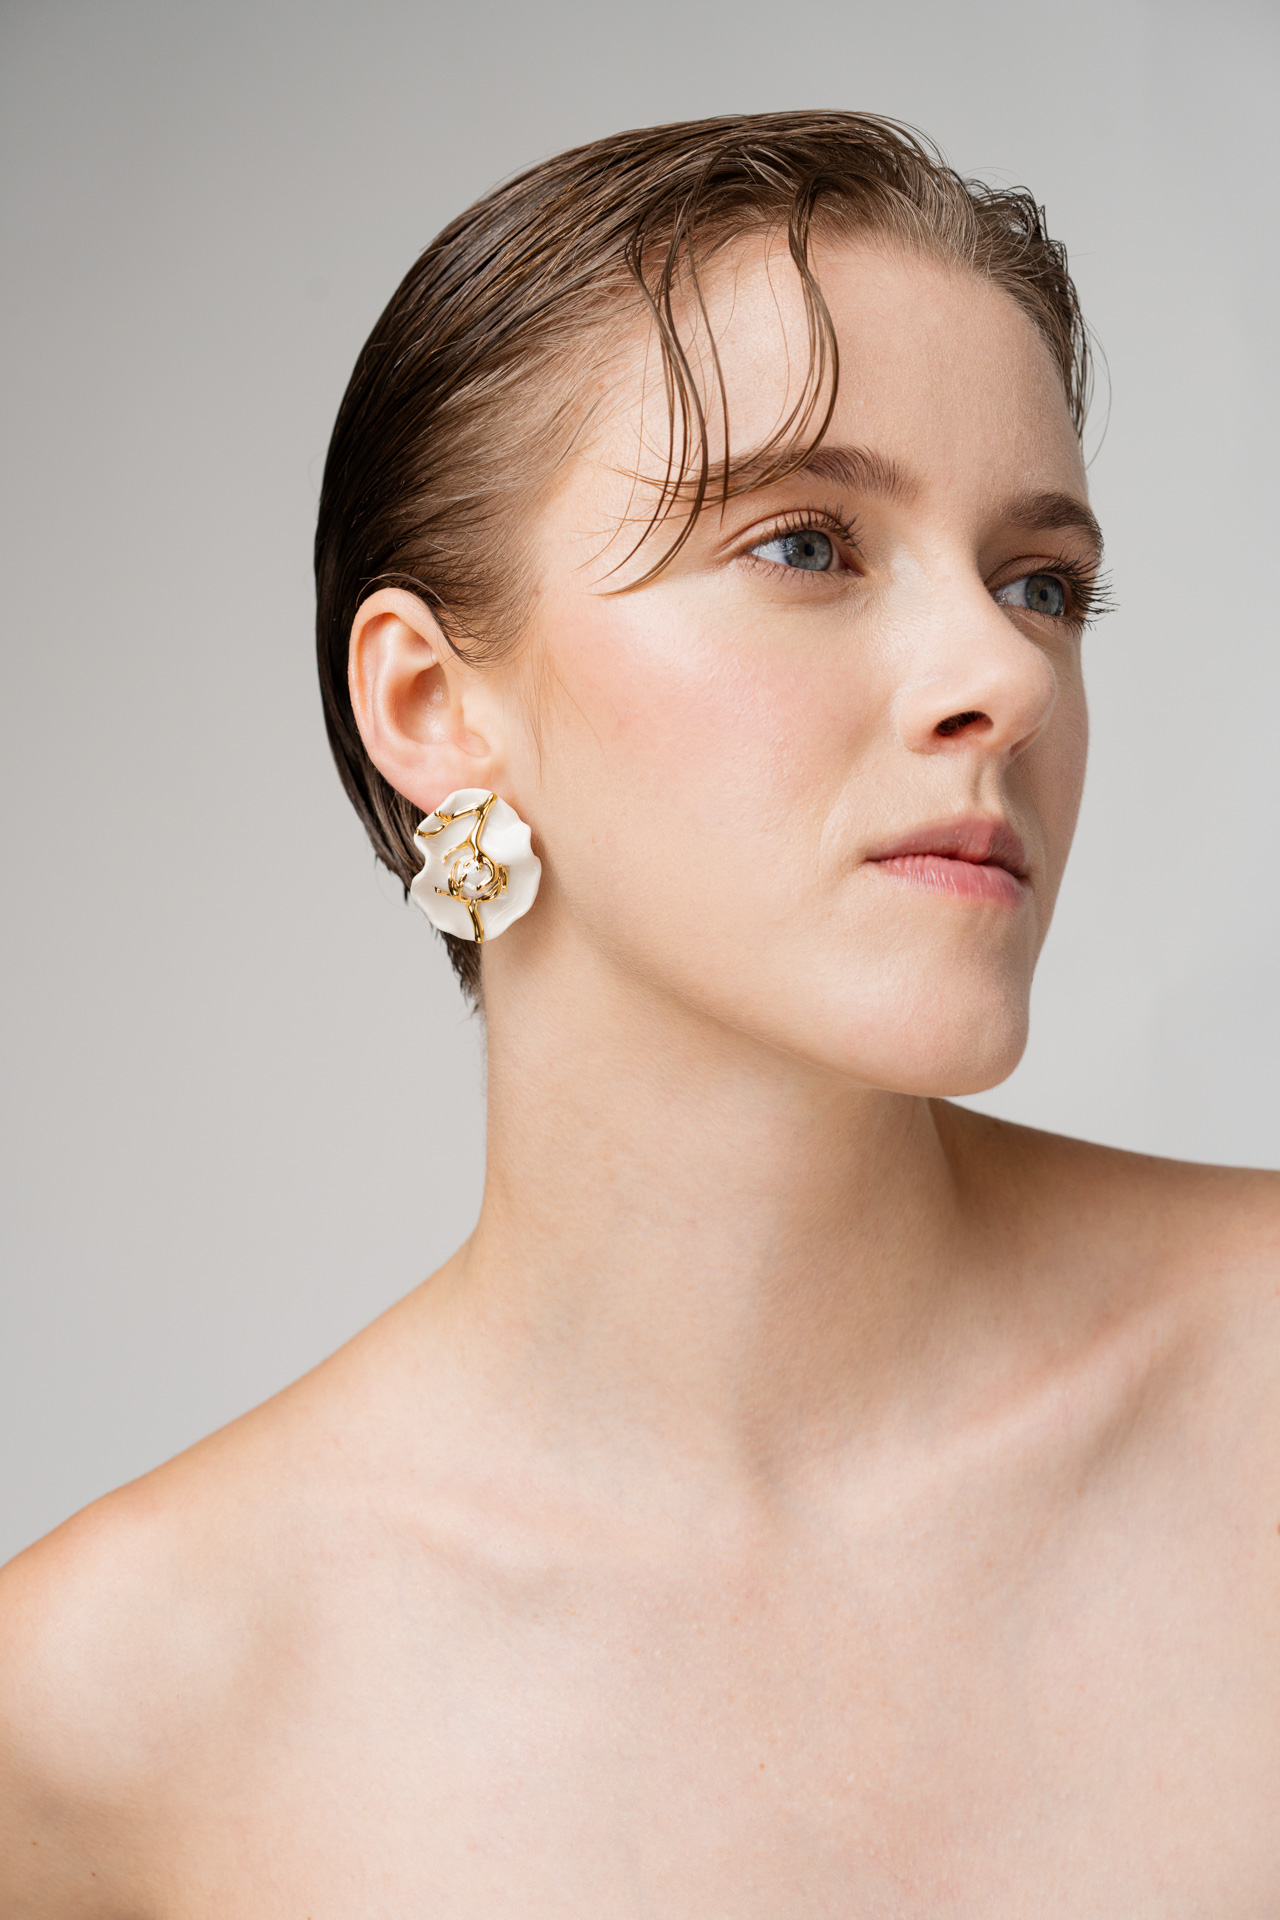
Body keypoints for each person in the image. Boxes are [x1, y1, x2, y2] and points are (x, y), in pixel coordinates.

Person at [3, 110, 1278, 1915]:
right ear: (433, 706)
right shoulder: (105, 1705)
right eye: (806, 545)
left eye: (1041, 584)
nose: (1005, 673)